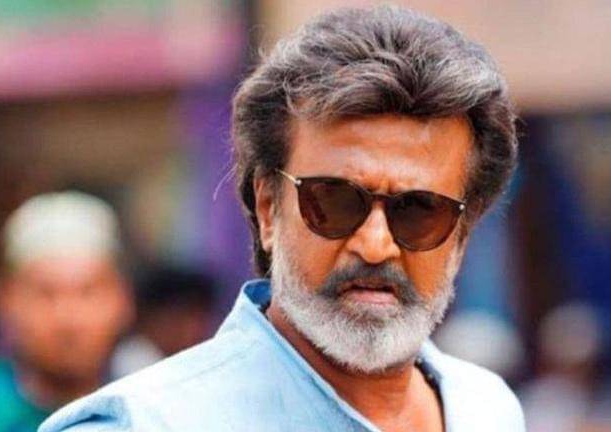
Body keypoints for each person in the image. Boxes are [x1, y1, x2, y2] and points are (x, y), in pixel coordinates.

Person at [40, 5, 523, 431]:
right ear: (268, 209)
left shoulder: (485, 408)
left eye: (419, 211)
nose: (375, 245)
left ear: (461, 236)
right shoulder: (144, 424)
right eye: (334, 202)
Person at [0, 192, 132, 432]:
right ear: (6, 300)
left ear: (122, 298)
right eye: (46, 293)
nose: (68, 319)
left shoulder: (153, 412)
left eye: (87, 292)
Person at [110, 264, 217, 378]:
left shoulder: (192, 362)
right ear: (151, 317)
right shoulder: (134, 364)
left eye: (201, 318)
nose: (195, 329)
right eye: (182, 318)